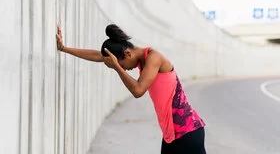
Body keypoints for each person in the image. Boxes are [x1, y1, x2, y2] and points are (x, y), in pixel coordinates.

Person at [56, 24, 207, 154]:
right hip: (171, 135)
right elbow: (98, 56)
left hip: (188, 132)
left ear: (128, 53)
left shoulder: (154, 58)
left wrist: (116, 67)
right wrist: (64, 48)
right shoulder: (141, 60)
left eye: (122, 65)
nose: (125, 69)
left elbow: (138, 90)